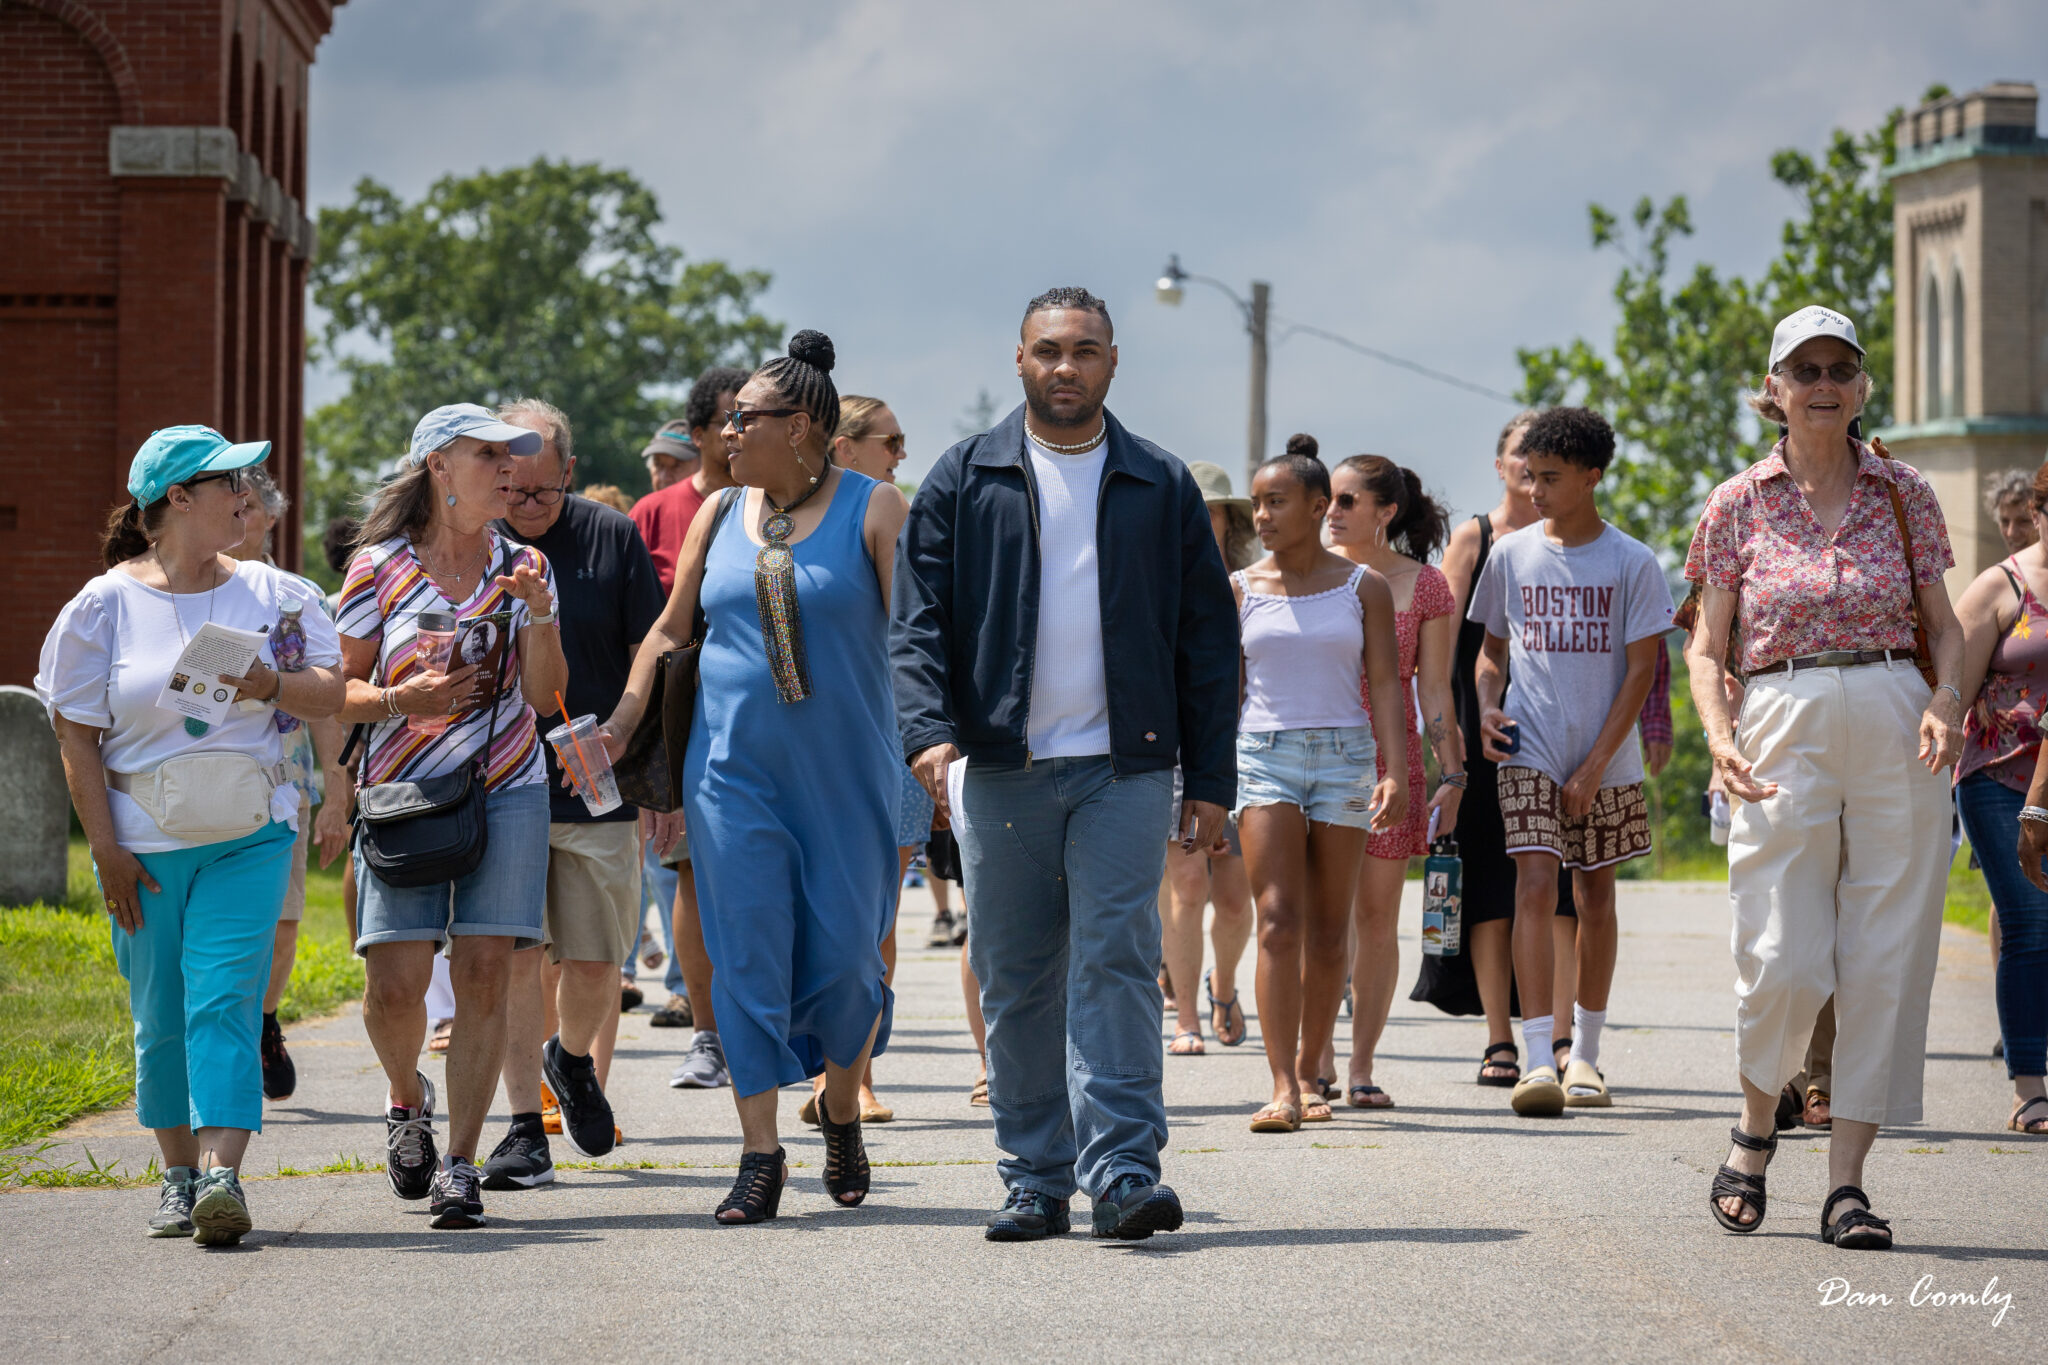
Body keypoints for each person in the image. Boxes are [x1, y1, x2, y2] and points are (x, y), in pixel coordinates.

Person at [893, 287, 1239, 1243]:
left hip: (1125, 768)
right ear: (1020, 360)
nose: (1066, 366)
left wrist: (1212, 780)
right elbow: (915, 624)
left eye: (1085, 350)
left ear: (1113, 364)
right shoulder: (964, 477)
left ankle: (1124, 1170)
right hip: (1000, 768)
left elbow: (1209, 643)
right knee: (1016, 976)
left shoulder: (1159, 483)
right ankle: (1034, 1178)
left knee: (1117, 964)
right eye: (1049, 349)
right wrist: (928, 732)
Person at [601, 331, 903, 1224]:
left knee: (851, 961)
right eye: (729, 419)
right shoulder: (716, 512)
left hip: (848, 775)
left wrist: (934, 750)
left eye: (746, 418)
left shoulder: (877, 508)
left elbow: (916, 643)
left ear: (801, 425)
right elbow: (668, 631)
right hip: (731, 774)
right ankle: (760, 1151)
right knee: (744, 957)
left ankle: (840, 1105)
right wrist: (620, 724)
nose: (727, 432)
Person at [1686, 305, 1963, 1249]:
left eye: (1840, 367)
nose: (1822, 383)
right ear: (1774, 388)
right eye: (1803, 369)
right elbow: (1705, 646)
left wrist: (1947, 698)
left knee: (1883, 955)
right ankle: (1755, 1130)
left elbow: (1950, 625)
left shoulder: (1906, 492)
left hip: (1896, 708)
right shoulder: (1736, 502)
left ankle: (1847, 1184)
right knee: (1782, 955)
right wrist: (1720, 733)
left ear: (1861, 387)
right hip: (1780, 714)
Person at [37, 425, 344, 1245]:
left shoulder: (280, 595)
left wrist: (272, 681)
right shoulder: (101, 605)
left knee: (224, 1003)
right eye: (229, 482)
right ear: (177, 499)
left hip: (252, 830)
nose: (248, 496)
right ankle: (176, 1175)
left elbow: (331, 690)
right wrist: (103, 847)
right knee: (162, 1013)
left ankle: (221, 1178)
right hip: (143, 842)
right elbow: (75, 734)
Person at [336, 402, 566, 1230]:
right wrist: (404, 697)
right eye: (489, 456)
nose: (511, 470)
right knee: (392, 986)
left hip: (507, 783)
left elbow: (544, 697)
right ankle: (406, 1098)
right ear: (438, 465)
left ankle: (460, 1165)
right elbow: (341, 691)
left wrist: (537, 610)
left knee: (482, 971)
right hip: (401, 790)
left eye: (517, 457)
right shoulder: (377, 568)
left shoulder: (524, 564)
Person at [1431, 412, 1672, 1087]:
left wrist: (1596, 766)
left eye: (1550, 478)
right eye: (1530, 475)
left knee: (1595, 896)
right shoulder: (1510, 554)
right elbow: (1490, 653)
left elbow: (1643, 671)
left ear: (1593, 476)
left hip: (1609, 756)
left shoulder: (1633, 560)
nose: (1534, 489)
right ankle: (1538, 1057)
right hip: (1529, 744)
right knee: (1533, 885)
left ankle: (1586, 1055)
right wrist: (1486, 709)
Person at [478, 398, 666, 1190]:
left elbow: (648, 654)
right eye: (511, 492)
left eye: (542, 495)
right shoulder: (468, 542)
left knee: (593, 963)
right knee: (520, 960)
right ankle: (524, 1128)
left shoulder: (609, 536)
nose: (524, 510)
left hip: (594, 785)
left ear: (570, 475)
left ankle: (572, 1058)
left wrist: (639, 750)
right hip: (495, 784)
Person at [1231, 435, 1409, 1132]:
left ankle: (1311, 1075)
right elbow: (1230, 690)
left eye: (1276, 502)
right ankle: (1279, 1084)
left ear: (1313, 506)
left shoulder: (1362, 587)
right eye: (1256, 504)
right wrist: (1211, 781)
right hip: (1264, 755)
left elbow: (1388, 685)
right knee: (1278, 920)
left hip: (1344, 757)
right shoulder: (1241, 588)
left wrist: (1393, 770)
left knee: (1333, 933)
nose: (1263, 515)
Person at [1325, 453, 1459, 1108]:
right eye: (1328, 497)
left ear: (1386, 512)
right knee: (1314, 915)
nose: (1331, 510)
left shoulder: (1427, 586)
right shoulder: (1303, 577)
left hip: (1392, 761)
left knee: (1377, 919)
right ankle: (1312, 1057)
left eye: (1348, 500)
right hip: (1313, 755)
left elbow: (1433, 687)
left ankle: (1360, 1065)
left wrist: (1452, 771)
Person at [631, 367, 751, 1080]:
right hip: (685, 717)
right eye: (731, 418)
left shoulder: (783, 505)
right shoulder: (660, 511)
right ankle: (706, 1030)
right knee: (691, 877)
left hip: (764, 713)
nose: (742, 431)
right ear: (699, 432)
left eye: (756, 417)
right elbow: (651, 626)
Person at [224, 468, 352, 1104]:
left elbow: (330, 698)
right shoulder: (177, 590)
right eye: (230, 503)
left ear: (270, 519)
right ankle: (224, 1038)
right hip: (203, 786)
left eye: (247, 507)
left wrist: (336, 785)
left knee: (283, 925)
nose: (236, 516)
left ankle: (264, 1020)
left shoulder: (298, 599)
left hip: (285, 779)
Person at [1953, 458, 2048, 1136]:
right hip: (1997, 778)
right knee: (2028, 919)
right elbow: (1947, 684)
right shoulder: (2001, 587)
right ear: (2039, 513)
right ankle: (2029, 1085)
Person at [1161, 462, 1258, 1055]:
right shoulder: (1159, 579)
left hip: (1248, 747)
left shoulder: (1256, 582)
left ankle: (1224, 984)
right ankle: (1187, 1017)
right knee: (1188, 884)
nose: (1203, 514)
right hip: (1178, 749)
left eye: (1214, 506)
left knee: (1235, 898)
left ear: (1229, 519)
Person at [641, 418, 698, 494]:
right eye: (658, 465)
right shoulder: (645, 505)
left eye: (677, 466)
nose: (664, 478)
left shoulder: (715, 503)